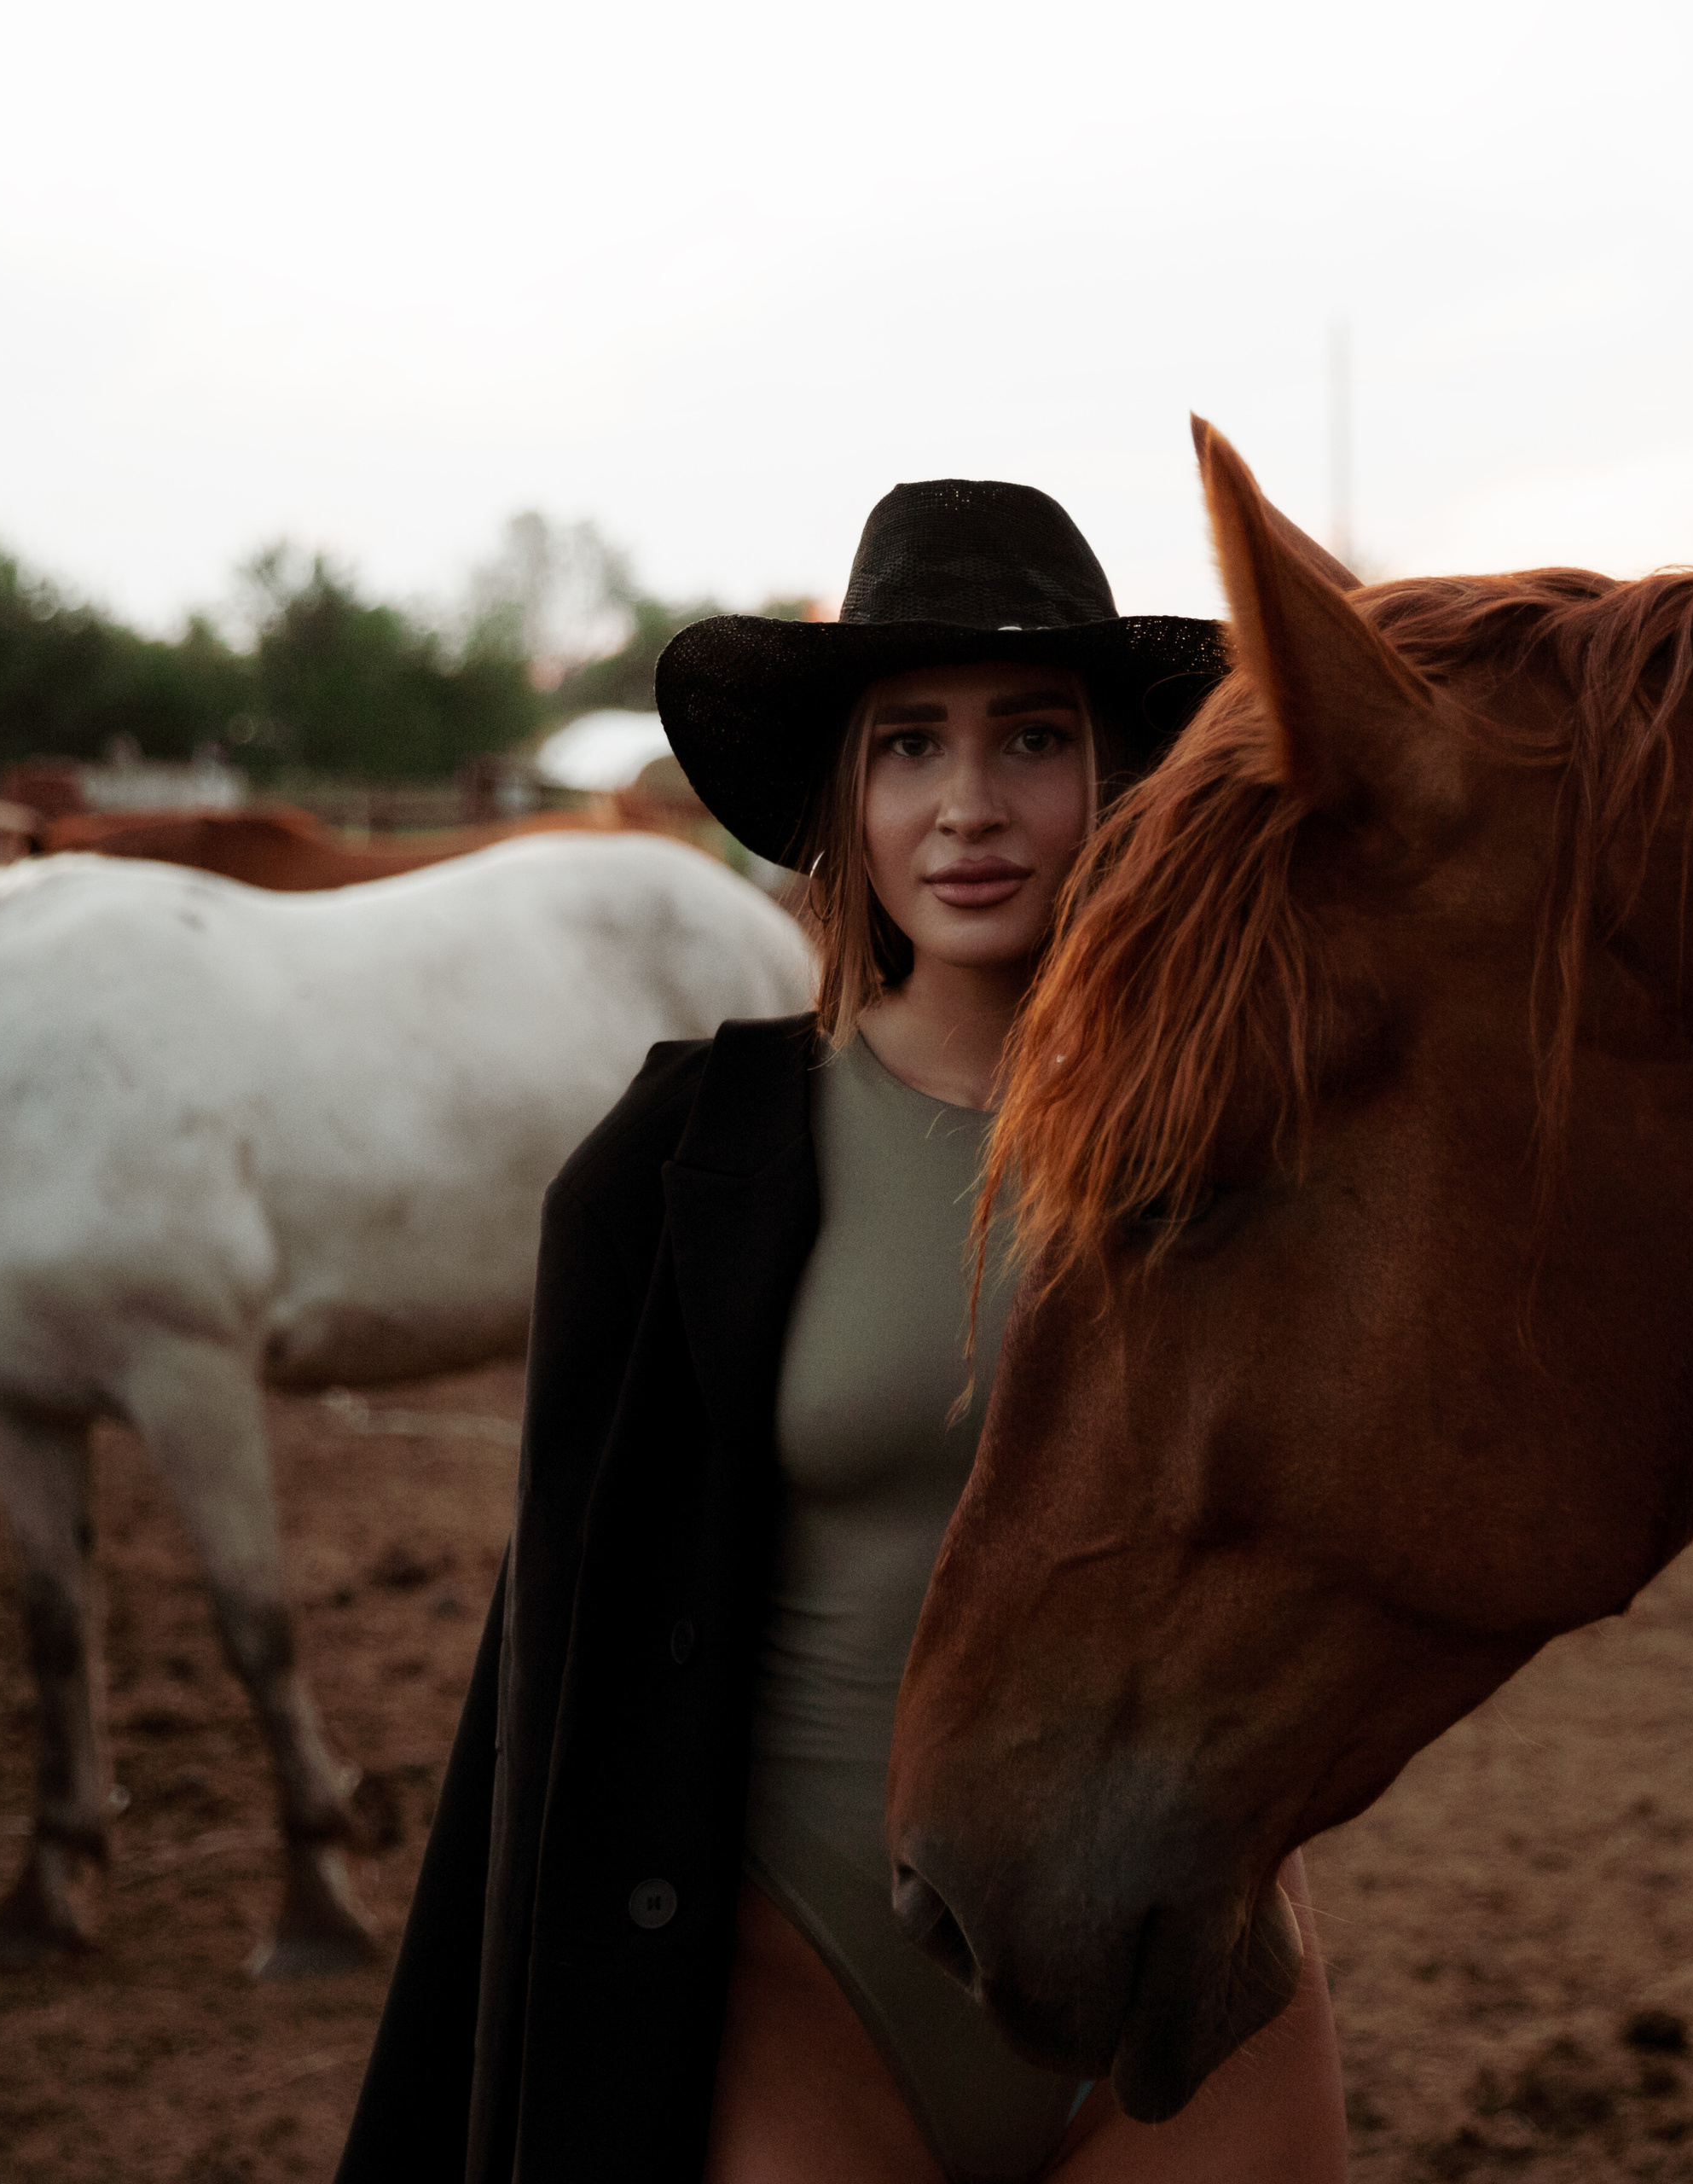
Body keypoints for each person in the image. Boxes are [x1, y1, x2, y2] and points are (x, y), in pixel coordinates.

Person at [334, 480, 1349, 2184]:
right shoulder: (683, 1176)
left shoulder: (1240, 1154)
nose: (967, 805)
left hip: (1193, 1987)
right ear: (846, 800)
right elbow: (560, 1680)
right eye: (907, 747)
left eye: (1031, 738)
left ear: (1115, 779)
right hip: (811, 1987)